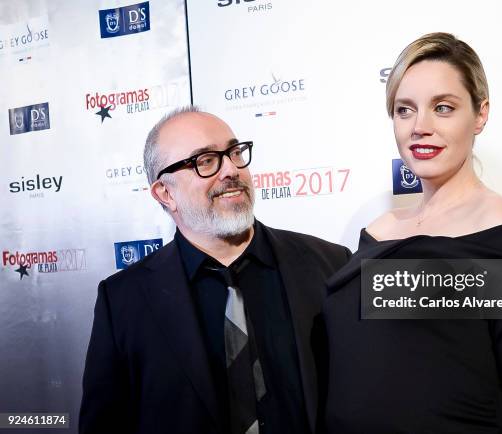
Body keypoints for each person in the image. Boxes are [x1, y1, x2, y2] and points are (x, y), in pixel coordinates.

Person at [321, 33, 502, 433]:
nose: (420, 127)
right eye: (404, 110)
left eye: (443, 108)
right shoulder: (377, 232)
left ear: (480, 114)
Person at [79, 106, 351, 434]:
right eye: (205, 161)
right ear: (165, 193)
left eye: (235, 152)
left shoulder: (329, 264)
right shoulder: (123, 301)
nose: (230, 170)